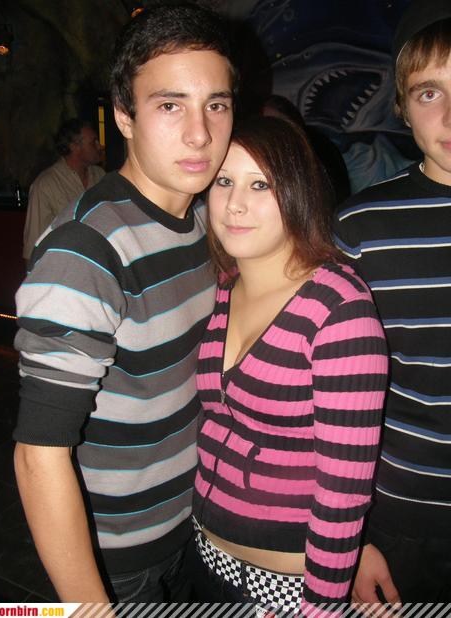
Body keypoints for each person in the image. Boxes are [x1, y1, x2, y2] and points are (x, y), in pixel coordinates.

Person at [13, 2, 235, 603]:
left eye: (216, 104)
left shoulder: (203, 222)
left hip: (191, 526)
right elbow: (38, 457)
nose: (200, 133)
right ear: (123, 116)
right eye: (170, 105)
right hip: (118, 560)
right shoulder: (86, 249)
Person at [189, 115, 389, 614]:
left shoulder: (338, 309)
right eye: (223, 182)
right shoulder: (225, 286)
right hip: (204, 557)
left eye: (260, 184)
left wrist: (320, 608)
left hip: (282, 589)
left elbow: (343, 494)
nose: (235, 203)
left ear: (297, 192)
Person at [334, 0, 451, 604]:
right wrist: (350, 539)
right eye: (430, 93)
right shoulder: (359, 229)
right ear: (403, 107)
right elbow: (324, 400)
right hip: (399, 523)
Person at [22, 119, 105, 260]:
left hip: (100, 264)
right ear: (75, 147)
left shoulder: (100, 176)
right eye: (93, 142)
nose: (99, 146)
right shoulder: (45, 185)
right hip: (64, 265)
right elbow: (32, 247)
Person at [262, 94, 351, 205]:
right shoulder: (313, 140)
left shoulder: (311, 145)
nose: (268, 132)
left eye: (274, 124)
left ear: (290, 121)